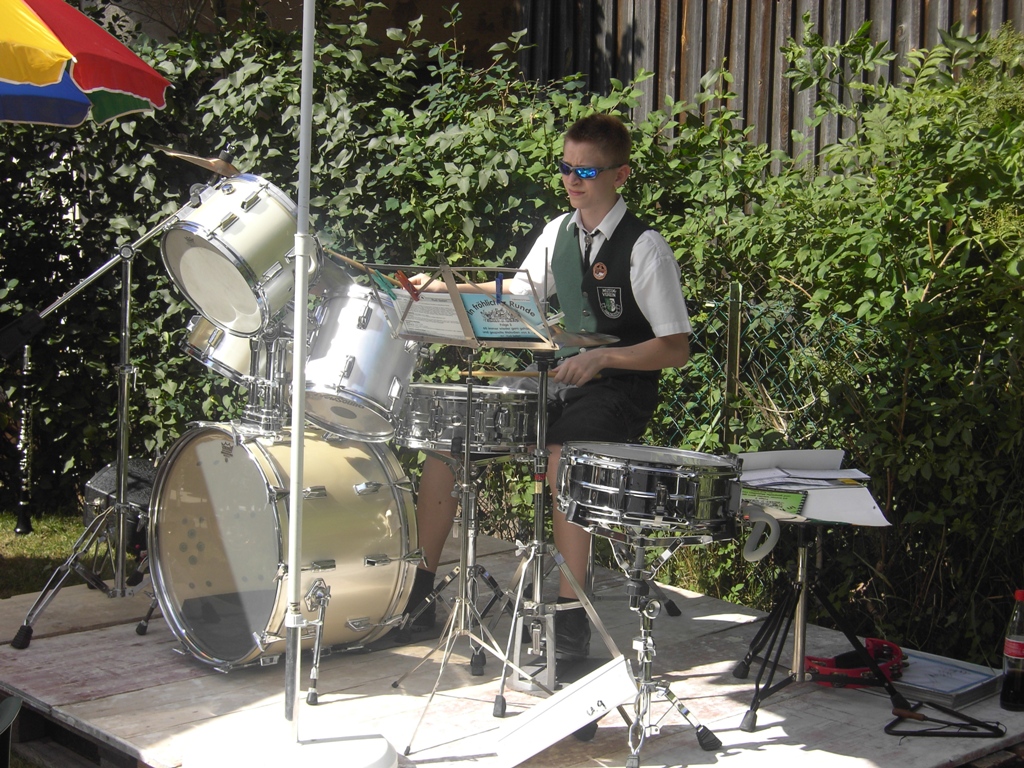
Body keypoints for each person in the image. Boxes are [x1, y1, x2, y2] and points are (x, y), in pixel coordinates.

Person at [401, 113, 691, 661]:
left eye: (587, 170)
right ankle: (419, 594)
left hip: (621, 388)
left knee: (562, 454)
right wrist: (444, 286)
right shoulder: (558, 231)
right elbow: (518, 293)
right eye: (566, 167)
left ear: (620, 175)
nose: (572, 180)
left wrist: (604, 357)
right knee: (452, 434)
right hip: (563, 376)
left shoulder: (645, 247)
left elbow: (675, 348)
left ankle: (570, 616)